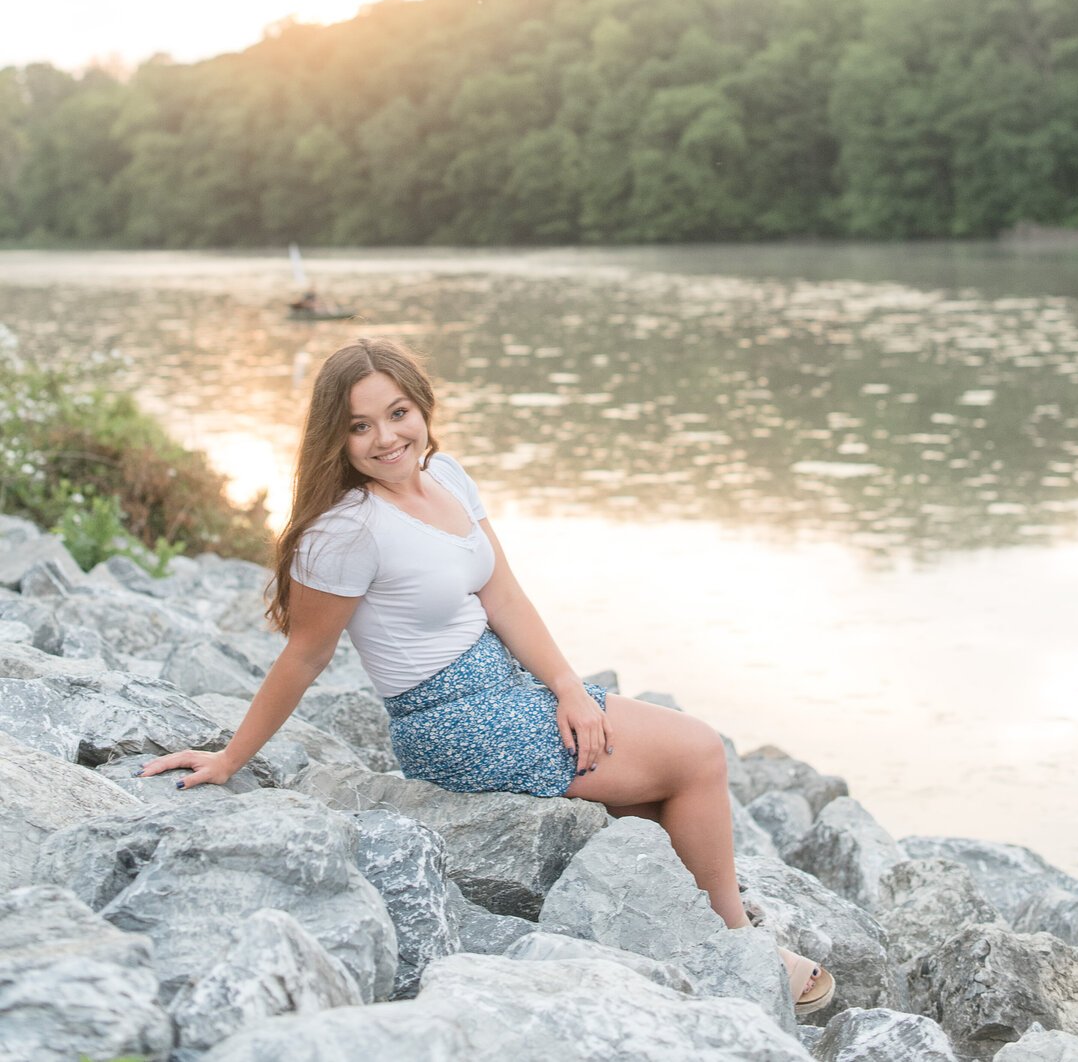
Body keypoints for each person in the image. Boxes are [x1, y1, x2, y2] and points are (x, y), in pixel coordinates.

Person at [142, 338, 835, 1011]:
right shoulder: (345, 530)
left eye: (397, 413)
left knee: (652, 802)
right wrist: (233, 757)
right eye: (359, 426)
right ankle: (741, 944)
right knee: (699, 752)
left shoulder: (446, 476)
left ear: (422, 408)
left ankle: (695, 941)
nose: (385, 438)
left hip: (507, 690)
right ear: (335, 438)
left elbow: (503, 595)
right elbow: (305, 656)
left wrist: (567, 687)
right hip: (451, 723)